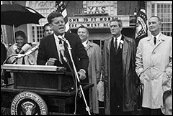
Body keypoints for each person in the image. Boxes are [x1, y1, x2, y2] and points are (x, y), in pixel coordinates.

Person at [37, 11, 89, 114]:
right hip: (55, 85)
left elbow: (84, 57)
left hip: (74, 81)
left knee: (78, 110)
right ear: (51, 26)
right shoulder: (45, 41)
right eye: (57, 22)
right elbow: (39, 61)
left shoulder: (73, 38)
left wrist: (82, 70)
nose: (61, 24)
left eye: (62, 21)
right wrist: (47, 64)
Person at [135, 16, 172, 115]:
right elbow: (138, 61)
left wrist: (167, 74)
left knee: (162, 108)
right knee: (148, 110)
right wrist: (141, 75)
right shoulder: (143, 42)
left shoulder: (169, 41)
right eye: (149, 23)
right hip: (147, 83)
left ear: (160, 24)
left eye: (153, 23)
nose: (151, 25)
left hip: (163, 82)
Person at [102, 18, 137, 115]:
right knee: (112, 107)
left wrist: (134, 80)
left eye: (115, 26)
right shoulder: (107, 43)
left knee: (125, 108)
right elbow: (104, 63)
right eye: (111, 26)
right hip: (110, 80)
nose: (112, 28)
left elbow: (134, 62)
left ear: (120, 28)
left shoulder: (130, 42)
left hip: (125, 79)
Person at [77, 25, 102, 114]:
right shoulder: (72, 47)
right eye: (79, 32)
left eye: (83, 32)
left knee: (90, 100)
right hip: (77, 78)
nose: (81, 34)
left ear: (88, 35)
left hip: (90, 78)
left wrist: (97, 77)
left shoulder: (95, 47)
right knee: (78, 101)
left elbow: (98, 63)